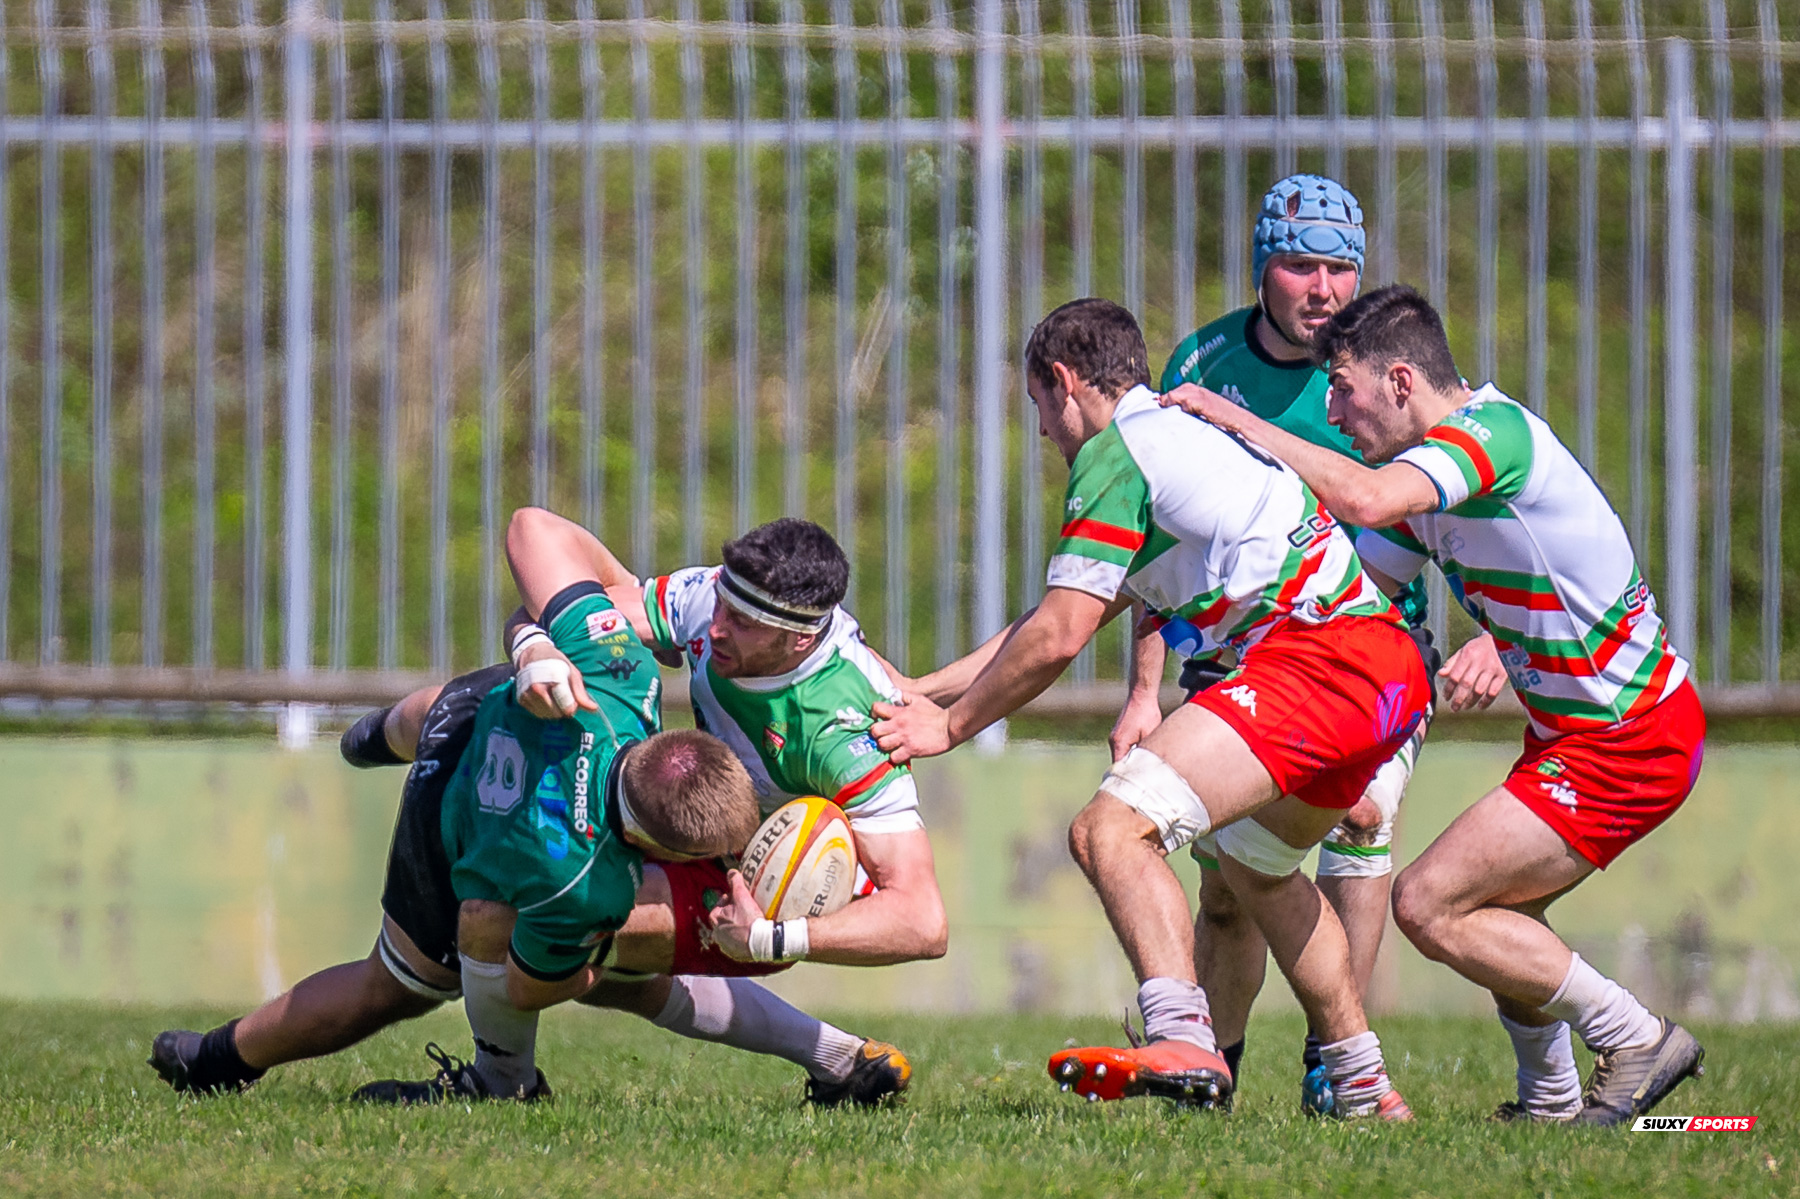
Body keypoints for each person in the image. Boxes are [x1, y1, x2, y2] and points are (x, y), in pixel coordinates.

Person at [1162, 284, 1707, 1126]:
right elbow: (1362, 598)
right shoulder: (1426, 485)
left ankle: (1636, 1036)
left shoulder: (1490, 435)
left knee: (1430, 902)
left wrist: (1244, 428)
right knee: (1500, 910)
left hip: (1631, 735)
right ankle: (1554, 1101)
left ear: (1402, 381)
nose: (1333, 411)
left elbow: (1370, 503)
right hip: (1573, 735)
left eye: (1342, 387)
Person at [873, 297, 1427, 1119]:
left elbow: (1060, 637)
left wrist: (951, 728)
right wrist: (924, 690)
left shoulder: (1117, 452)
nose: (1043, 433)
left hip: (1312, 660)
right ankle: (1365, 1084)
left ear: (1063, 382)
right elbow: (1052, 618)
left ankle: (1183, 1037)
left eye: (1037, 408)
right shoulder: (1185, 439)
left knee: (1108, 829)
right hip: (1384, 672)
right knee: (1260, 867)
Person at [341, 511, 945, 1106]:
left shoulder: (850, 731)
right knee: (596, 960)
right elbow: (540, 544)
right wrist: (534, 645)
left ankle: (500, 1086)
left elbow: (923, 921)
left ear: (801, 638)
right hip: (707, 831)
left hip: (772, 891)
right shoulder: (716, 599)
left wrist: (769, 936)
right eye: (722, 607)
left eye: (743, 622)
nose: (718, 629)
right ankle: (844, 1062)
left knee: (553, 923)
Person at [149, 570, 765, 1104]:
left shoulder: (623, 681)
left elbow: (533, 577)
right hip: (448, 841)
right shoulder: (583, 885)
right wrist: (594, 966)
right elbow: (525, 989)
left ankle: (365, 740)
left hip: (463, 723)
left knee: (441, 709)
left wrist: (531, 647)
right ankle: (215, 1058)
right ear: (664, 849)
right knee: (392, 986)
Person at [1151, 173, 1441, 1103]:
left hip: (1372, 651)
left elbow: (1456, 507)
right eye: (1300, 264)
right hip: (1237, 655)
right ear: (1260, 268)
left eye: (1339, 267)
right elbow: (1161, 537)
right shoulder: (1201, 364)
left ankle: (1335, 1067)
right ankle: (1215, 1071)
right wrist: (1136, 690)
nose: (1322, 287)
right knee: (1232, 879)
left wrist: (1487, 633)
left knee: (1361, 826)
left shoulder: (1384, 368)